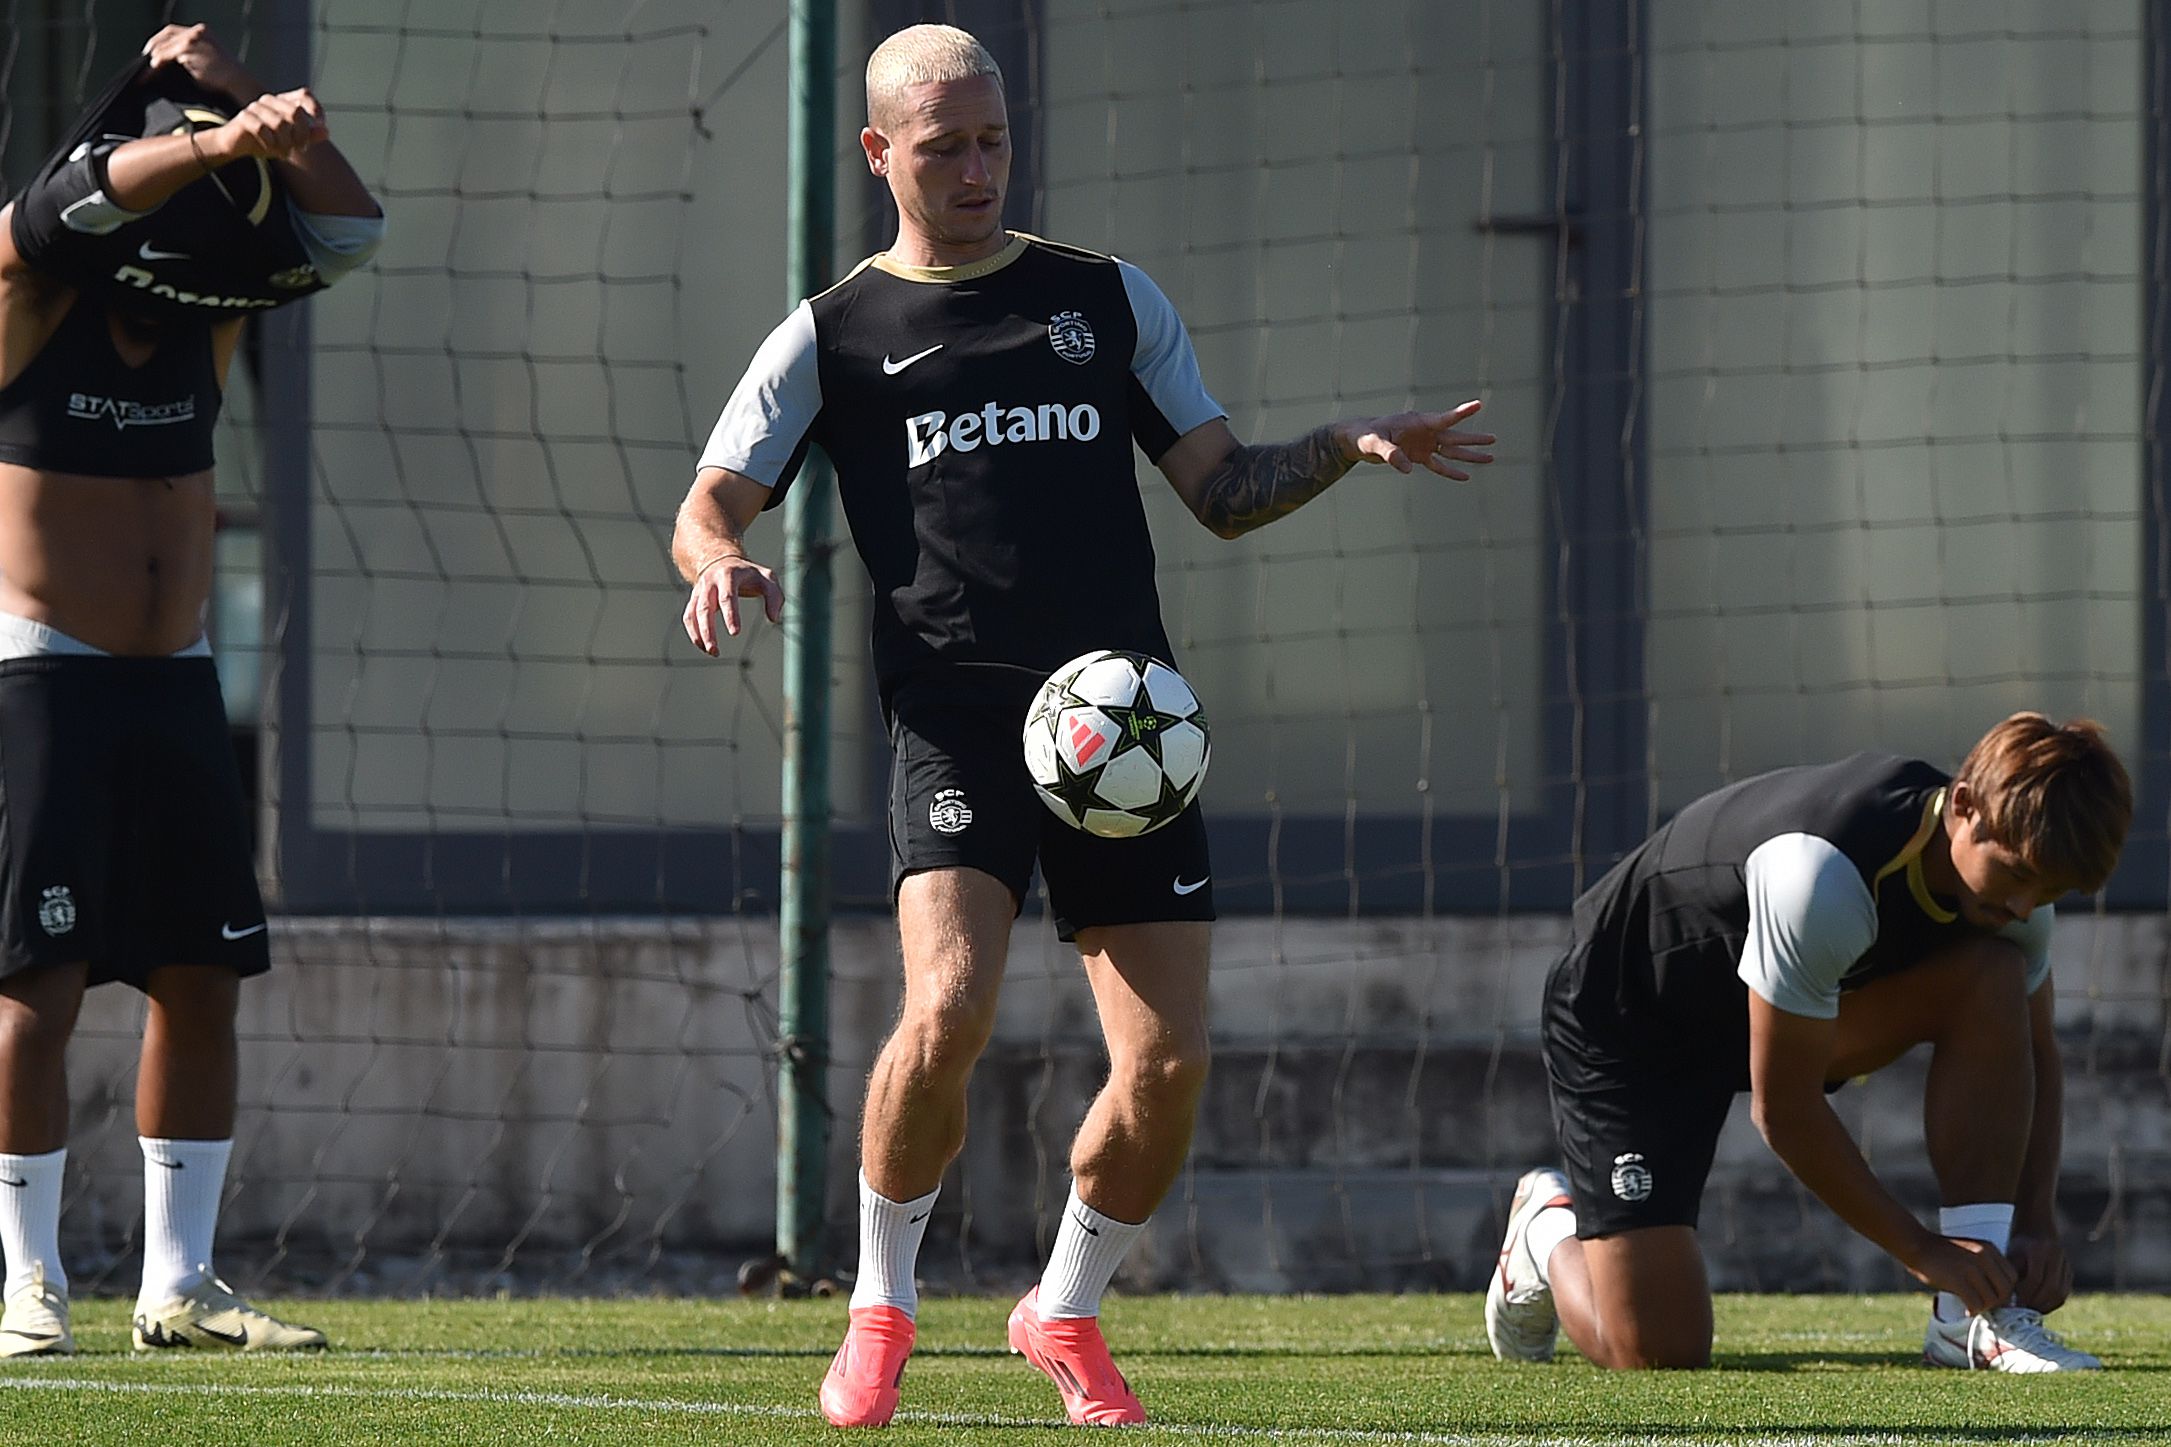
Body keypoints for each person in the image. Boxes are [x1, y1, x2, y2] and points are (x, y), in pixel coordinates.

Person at [673, 22, 1494, 1428]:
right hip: (955, 719)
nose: (979, 167)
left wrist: (1345, 445)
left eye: (993, 139)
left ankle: (1061, 1307)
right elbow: (708, 503)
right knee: (946, 1007)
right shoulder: (832, 332)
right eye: (945, 148)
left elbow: (1221, 487)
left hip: (1122, 726)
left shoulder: (1102, 300)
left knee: (1166, 1062)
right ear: (881, 154)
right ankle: (879, 1305)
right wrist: (718, 565)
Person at [0, 24, 382, 1355]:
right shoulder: (25, 291)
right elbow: (66, 205)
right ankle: (27, 1278)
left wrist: (249, 104)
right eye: (184, 174)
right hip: (42, 678)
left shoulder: (209, 308)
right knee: (32, 988)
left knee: (199, 979)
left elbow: (347, 233)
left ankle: (180, 1282)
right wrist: (213, 134)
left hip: (175, 681)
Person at [1485, 713, 2131, 1373]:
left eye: (2050, 890)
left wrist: (2034, 1224)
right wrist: (1919, 1247)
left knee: (1992, 975)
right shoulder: (1821, 874)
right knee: (1657, 1352)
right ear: (1964, 807)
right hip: (1632, 1021)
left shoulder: (2014, 895)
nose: (2026, 906)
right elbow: (1784, 1111)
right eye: (2017, 875)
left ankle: (1966, 1320)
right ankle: (1547, 1227)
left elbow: (2037, 1052)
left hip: (1777, 1006)